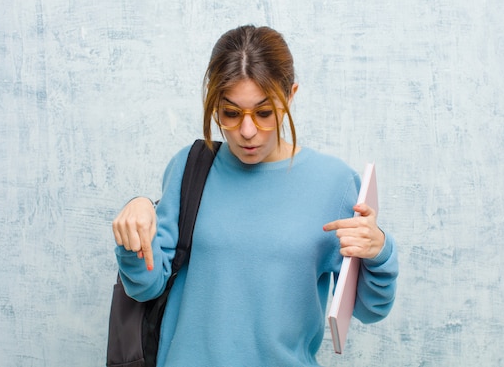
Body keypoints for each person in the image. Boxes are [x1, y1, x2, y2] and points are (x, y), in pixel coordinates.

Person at [112, 25, 398, 366]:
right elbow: (146, 287)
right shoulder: (190, 167)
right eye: (231, 113)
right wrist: (134, 227)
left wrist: (379, 250)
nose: (248, 132)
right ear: (213, 104)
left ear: (290, 96)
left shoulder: (334, 184)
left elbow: (368, 309)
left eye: (264, 113)